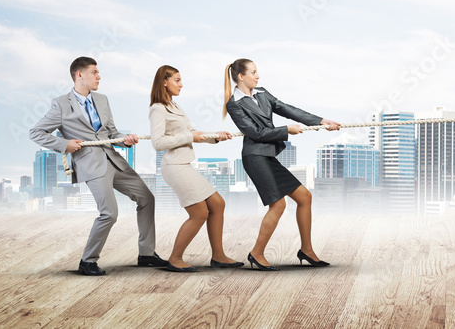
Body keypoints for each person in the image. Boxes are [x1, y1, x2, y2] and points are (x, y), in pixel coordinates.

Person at [30, 57, 166, 275]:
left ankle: (147, 254)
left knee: (147, 198)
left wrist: (124, 139)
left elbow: (111, 133)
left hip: (113, 160)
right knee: (109, 213)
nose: (99, 76)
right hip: (91, 164)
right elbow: (35, 132)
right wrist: (64, 144)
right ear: (79, 75)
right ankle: (88, 261)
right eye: (94, 72)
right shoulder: (61, 104)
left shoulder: (102, 100)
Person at [223, 58, 341, 269]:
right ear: (241, 76)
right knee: (278, 204)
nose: (258, 76)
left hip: (268, 156)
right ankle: (256, 254)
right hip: (254, 157)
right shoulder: (234, 104)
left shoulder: (262, 93)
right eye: (254, 72)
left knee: (304, 196)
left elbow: (287, 109)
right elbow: (255, 133)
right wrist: (286, 131)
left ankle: (307, 250)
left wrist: (322, 122)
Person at [149, 65, 242, 272]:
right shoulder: (158, 108)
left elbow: (191, 132)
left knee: (217, 204)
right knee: (199, 213)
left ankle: (218, 256)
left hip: (185, 164)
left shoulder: (175, 106)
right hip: (174, 166)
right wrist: (190, 137)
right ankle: (175, 258)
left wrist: (214, 137)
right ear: (165, 82)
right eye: (177, 80)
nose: (182, 84)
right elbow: (157, 143)